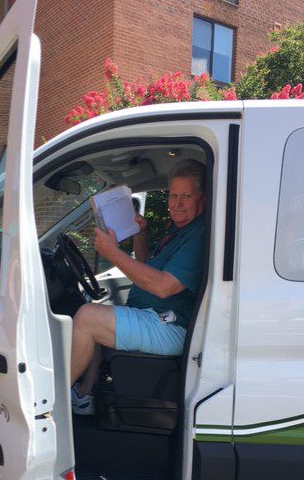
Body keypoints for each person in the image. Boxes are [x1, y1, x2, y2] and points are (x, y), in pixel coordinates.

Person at [71, 158, 207, 414]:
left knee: (87, 317)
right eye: (173, 195)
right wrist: (139, 233)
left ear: (202, 198)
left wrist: (112, 253)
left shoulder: (198, 235)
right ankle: (83, 397)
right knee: (100, 317)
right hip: (156, 317)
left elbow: (164, 286)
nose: (176, 203)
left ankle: (49, 402)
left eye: (186, 196)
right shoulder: (179, 230)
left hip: (171, 326)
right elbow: (147, 267)